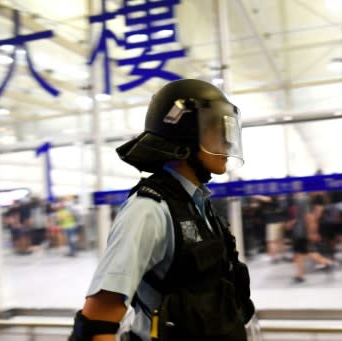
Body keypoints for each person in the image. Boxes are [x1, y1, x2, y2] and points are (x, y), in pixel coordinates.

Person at [69, 79, 254, 341]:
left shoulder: (199, 206)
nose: (226, 143)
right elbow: (96, 321)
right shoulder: (148, 210)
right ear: (185, 135)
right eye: (217, 130)